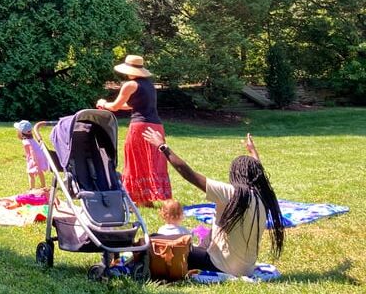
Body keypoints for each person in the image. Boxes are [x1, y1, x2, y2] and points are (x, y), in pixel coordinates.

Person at [142, 129, 285, 277]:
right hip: (246, 269)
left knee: (154, 239)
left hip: (219, 265)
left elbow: (189, 174)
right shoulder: (263, 197)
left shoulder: (232, 193)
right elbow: (258, 172)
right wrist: (253, 152)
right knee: (205, 238)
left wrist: (163, 147)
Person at [96, 55, 170, 207]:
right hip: (156, 127)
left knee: (135, 160)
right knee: (153, 161)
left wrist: (103, 103)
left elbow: (115, 107)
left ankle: (137, 198)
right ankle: (147, 198)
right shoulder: (149, 85)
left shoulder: (130, 84)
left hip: (140, 127)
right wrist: (110, 104)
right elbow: (131, 105)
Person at [14, 120, 48, 190]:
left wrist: (34, 161)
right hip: (40, 155)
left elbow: (32, 150)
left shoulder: (25, 141)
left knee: (30, 173)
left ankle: (31, 188)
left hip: (34, 157)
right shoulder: (31, 138)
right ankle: (43, 186)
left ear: (21, 132)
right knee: (40, 171)